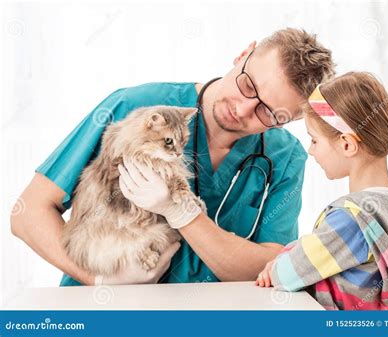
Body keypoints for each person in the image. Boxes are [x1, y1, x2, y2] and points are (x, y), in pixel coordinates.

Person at [10, 28, 335, 286]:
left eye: (268, 112)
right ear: (243, 55)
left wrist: (184, 214)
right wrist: (98, 280)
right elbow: (28, 213)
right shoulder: (134, 108)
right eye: (248, 85)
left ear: (290, 120)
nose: (242, 109)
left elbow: (273, 266)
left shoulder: (285, 157)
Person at [255, 72, 388, 310]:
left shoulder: (353, 220)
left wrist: (275, 265)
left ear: (347, 144)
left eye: (314, 140)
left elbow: (287, 274)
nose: (310, 151)